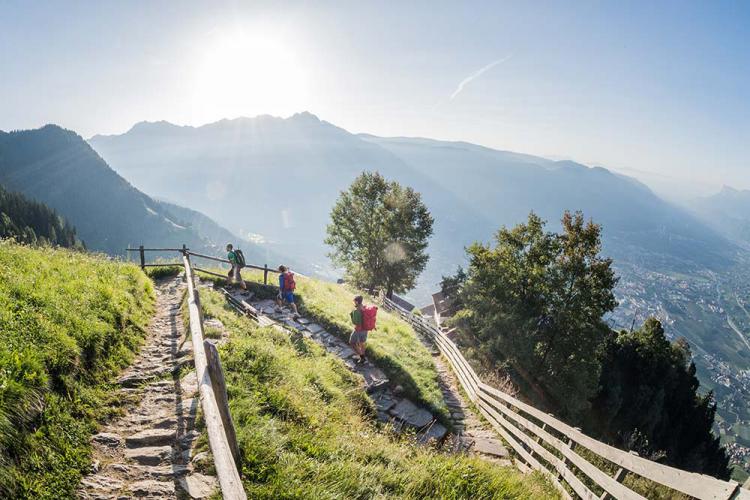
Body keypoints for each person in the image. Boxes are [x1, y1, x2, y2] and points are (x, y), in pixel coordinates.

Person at [350, 295, 368, 364]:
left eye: (354, 301)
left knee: (352, 343)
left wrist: (352, 315)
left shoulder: (357, 310)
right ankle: (361, 356)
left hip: (358, 330)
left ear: (357, 302)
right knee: (362, 343)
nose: (354, 302)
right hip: (365, 329)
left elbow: (355, 322)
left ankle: (362, 357)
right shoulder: (364, 307)